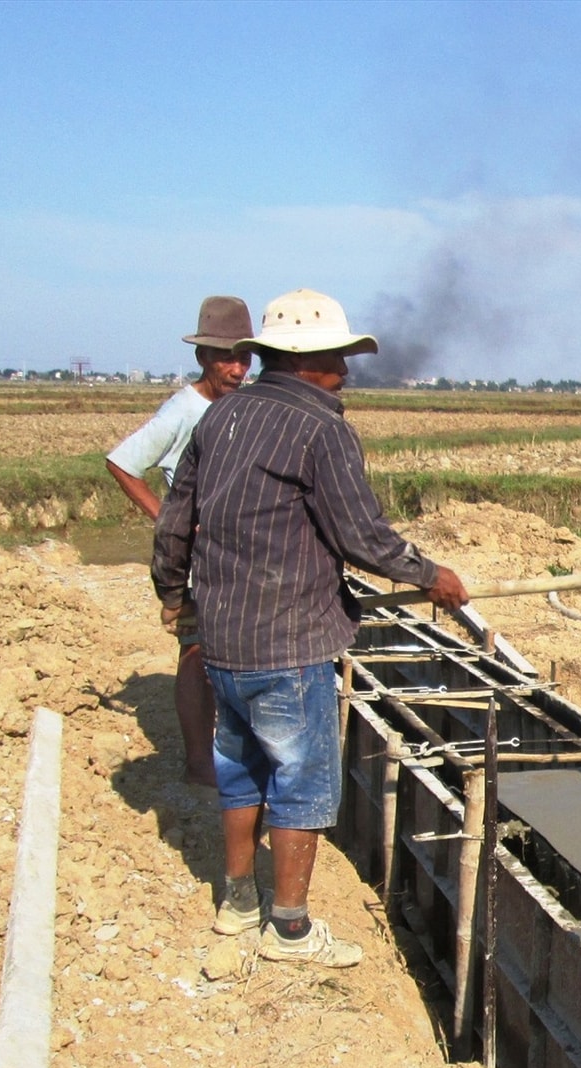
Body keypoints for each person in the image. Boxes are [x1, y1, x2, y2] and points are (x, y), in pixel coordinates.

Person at [152, 289, 470, 968]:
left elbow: (176, 519)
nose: (347, 372)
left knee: (239, 769)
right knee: (301, 777)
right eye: (340, 358)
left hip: (225, 637)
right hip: (288, 639)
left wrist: (173, 595)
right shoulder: (322, 431)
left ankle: (238, 900)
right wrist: (429, 574)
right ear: (310, 360)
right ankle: (290, 929)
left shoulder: (221, 416)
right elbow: (362, 536)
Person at [105, 296, 255, 788]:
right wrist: (170, 519)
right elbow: (123, 463)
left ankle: (229, 751)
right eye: (225, 359)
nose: (236, 369)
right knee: (195, 653)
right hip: (197, 558)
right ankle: (198, 762)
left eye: (243, 358)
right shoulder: (183, 410)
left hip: (234, 554)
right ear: (203, 359)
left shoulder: (240, 408)